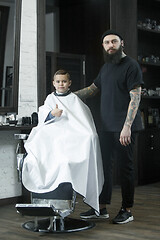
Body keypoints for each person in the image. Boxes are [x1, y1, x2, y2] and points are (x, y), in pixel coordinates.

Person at [75, 29, 144, 224]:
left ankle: (127, 210)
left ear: (122, 43)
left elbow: (135, 97)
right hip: (105, 127)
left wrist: (127, 126)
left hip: (124, 128)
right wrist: (66, 96)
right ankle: (101, 208)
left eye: (114, 41)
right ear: (103, 46)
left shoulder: (131, 66)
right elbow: (92, 89)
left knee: (126, 169)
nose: (110, 45)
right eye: (106, 43)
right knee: (103, 168)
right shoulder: (106, 67)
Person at [22, 69, 104, 213]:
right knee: (43, 151)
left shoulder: (74, 99)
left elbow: (83, 122)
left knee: (86, 140)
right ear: (54, 83)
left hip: (72, 140)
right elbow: (43, 117)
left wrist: (90, 136)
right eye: (58, 81)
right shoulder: (50, 99)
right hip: (54, 136)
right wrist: (51, 114)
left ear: (69, 83)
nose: (61, 84)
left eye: (64, 81)